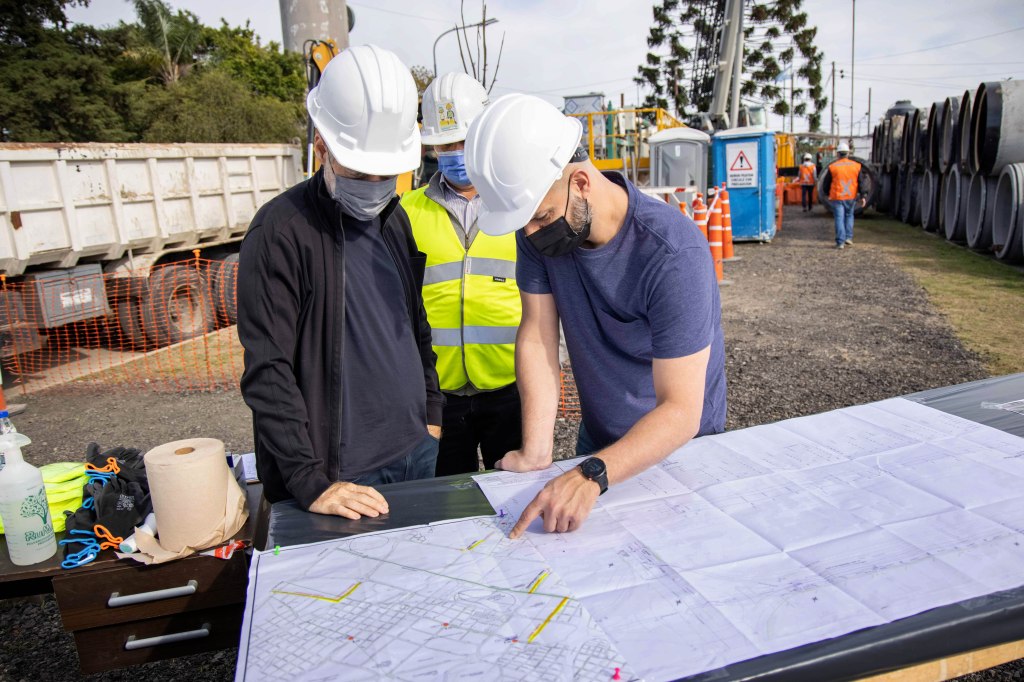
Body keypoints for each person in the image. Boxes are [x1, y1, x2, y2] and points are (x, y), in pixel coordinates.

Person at [464, 94, 727, 538]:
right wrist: (536, 451)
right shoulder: (541, 235)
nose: (530, 235)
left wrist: (592, 475)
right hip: (598, 438)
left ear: (582, 183)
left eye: (541, 216)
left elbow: (682, 410)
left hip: (676, 448)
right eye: (523, 222)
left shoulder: (672, 253)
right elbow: (537, 336)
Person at [237, 45, 444, 519]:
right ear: (322, 145)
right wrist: (310, 482)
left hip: (416, 450)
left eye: (385, 173)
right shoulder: (280, 233)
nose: (374, 184)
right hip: (341, 476)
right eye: (360, 170)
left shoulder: (395, 220)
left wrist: (432, 413)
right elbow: (268, 371)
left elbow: (415, 324)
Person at [402, 73, 523, 476]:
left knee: (515, 497)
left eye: (464, 141)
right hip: (438, 396)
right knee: (448, 507)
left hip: (511, 387)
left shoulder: (518, 209)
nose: (454, 152)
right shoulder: (406, 211)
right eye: (445, 144)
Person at [823, 141, 868, 249]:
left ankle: (840, 242)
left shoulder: (833, 167)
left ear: (838, 154)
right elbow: (861, 182)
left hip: (837, 197)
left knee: (839, 218)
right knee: (849, 216)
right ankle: (848, 237)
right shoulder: (856, 166)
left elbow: (826, 183)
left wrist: (826, 193)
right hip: (851, 196)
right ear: (848, 154)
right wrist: (863, 196)